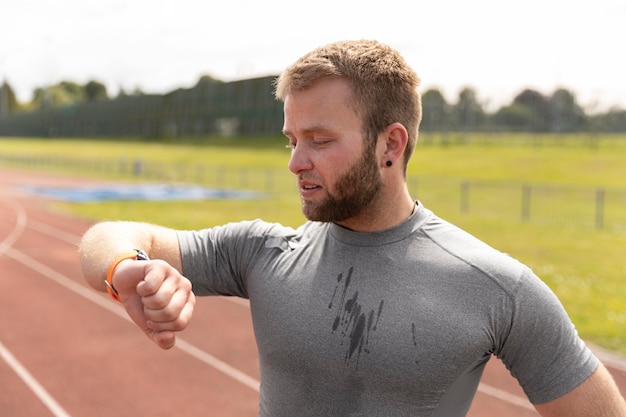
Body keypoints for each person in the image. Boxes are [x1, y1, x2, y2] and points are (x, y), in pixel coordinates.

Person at [78, 40, 626, 416]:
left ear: (391, 144)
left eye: (319, 140)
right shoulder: (261, 251)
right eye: (291, 141)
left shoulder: (497, 286)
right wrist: (128, 270)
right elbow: (106, 236)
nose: (296, 162)